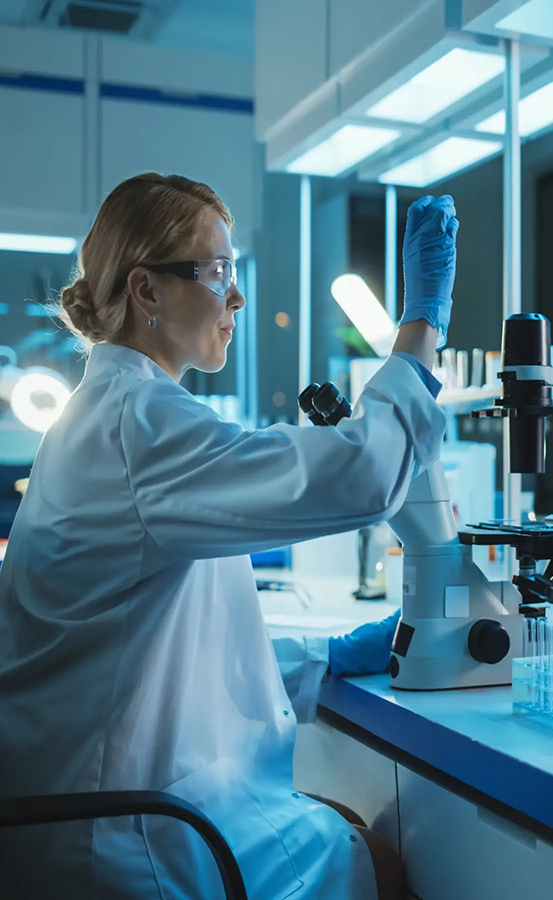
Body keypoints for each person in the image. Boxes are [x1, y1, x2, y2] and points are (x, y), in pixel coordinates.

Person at [0, 173, 458, 900]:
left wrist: (324, 657)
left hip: (94, 801)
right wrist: (422, 326)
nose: (238, 298)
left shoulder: (105, 412)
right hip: (128, 835)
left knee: (336, 818)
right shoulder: (139, 426)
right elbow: (360, 476)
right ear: (146, 292)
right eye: (218, 273)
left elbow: (152, 653)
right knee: (385, 861)